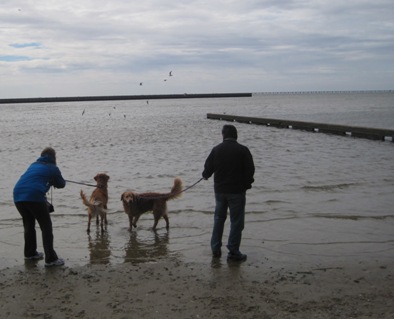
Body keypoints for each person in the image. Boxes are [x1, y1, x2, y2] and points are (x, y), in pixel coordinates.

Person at [202, 125, 255, 261]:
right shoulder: (243, 150)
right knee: (236, 221)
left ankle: (215, 249)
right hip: (237, 191)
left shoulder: (216, 150)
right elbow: (250, 170)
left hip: (220, 191)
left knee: (219, 219)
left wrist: (206, 175)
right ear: (236, 135)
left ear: (223, 135)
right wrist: (247, 185)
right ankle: (233, 251)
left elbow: (208, 168)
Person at [13, 147, 66, 267]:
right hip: (34, 196)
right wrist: (55, 180)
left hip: (17, 195)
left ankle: (30, 253)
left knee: (28, 224)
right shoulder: (52, 168)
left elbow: (34, 179)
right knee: (46, 226)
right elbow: (61, 184)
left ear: (42, 155)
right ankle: (51, 259)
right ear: (54, 157)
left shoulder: (33, 164)